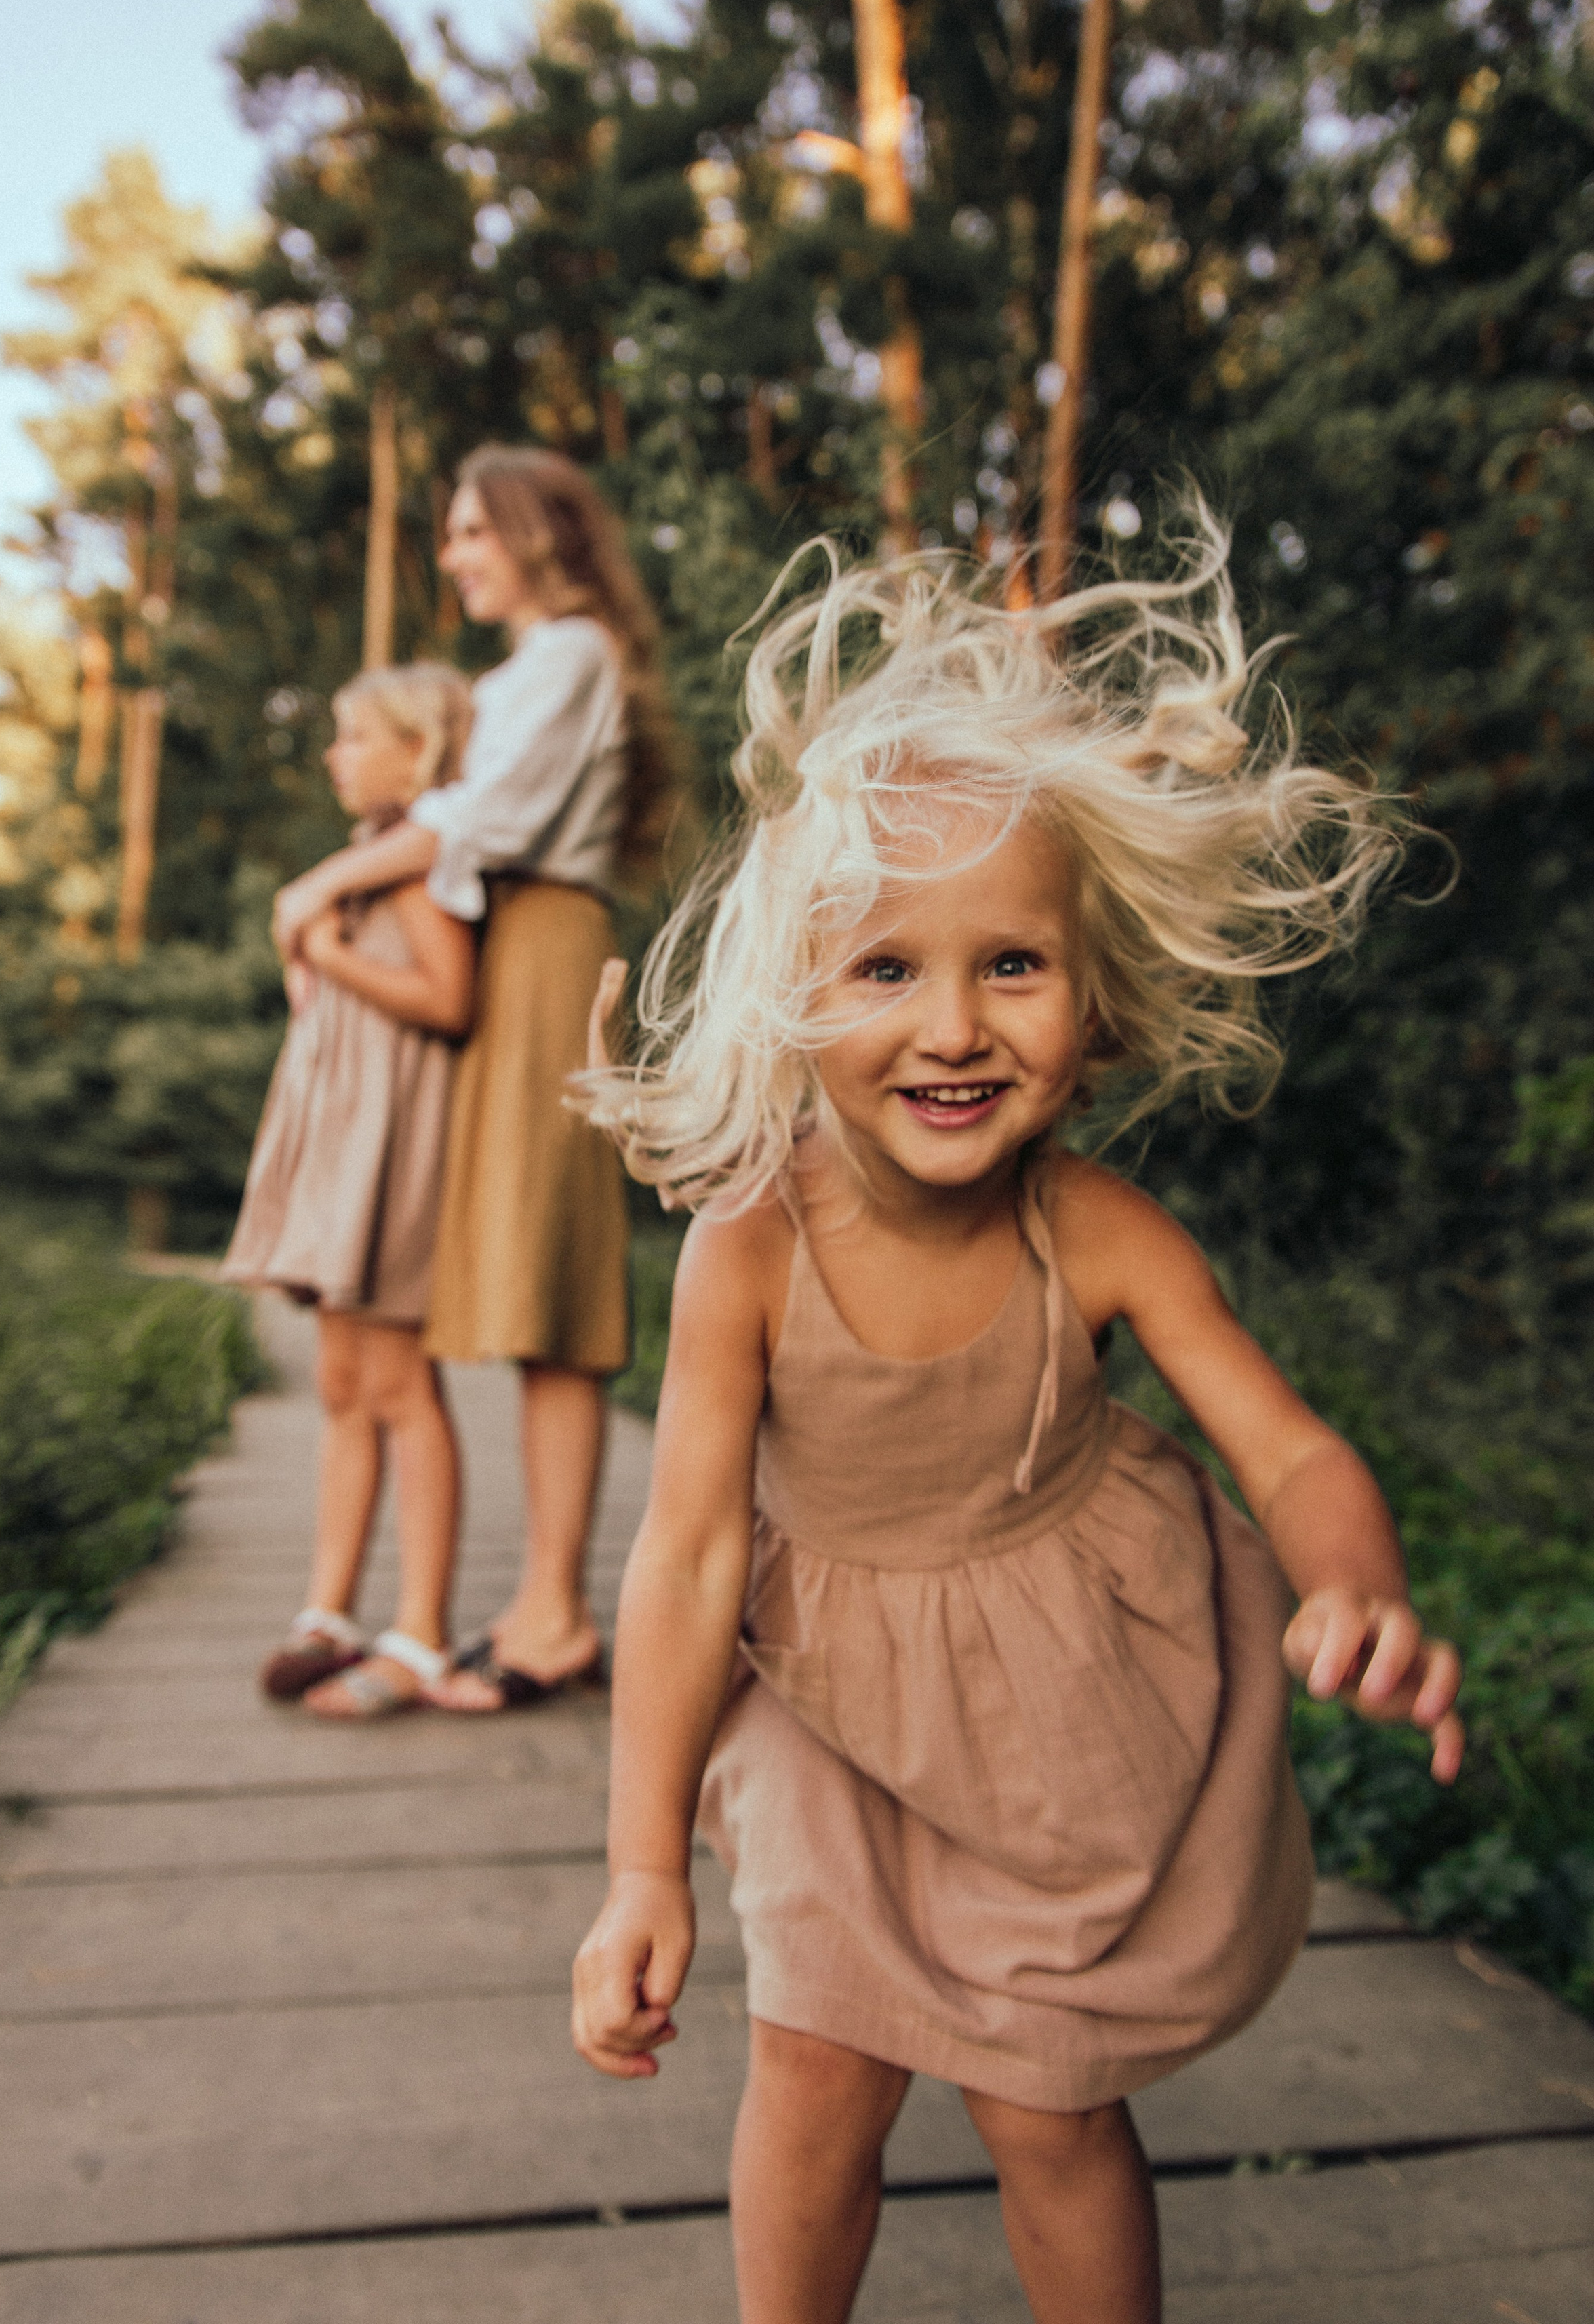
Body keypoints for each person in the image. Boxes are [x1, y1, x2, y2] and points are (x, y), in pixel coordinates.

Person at [568, 523, 1465, 2324]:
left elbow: (1282, 1448)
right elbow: (681, 1558)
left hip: (1060, 1701)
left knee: (1048, 2106)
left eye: (1011, 966)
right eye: (887, 969)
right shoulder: (748, 1248)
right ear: (799, 996)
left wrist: (1353, 1581)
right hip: (820, 1695)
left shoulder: (1100, 1234)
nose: (953, 1026)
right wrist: (638, 1866)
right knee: (818, 2064)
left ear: (1091, 989)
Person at [270, 446, 677, 1712]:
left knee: (548, 1278)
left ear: (536, 534)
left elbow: (489, 820)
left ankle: (553, 1610)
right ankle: (500, 1604)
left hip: (545, 943)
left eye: (469, 533)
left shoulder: (570, 654)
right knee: (497, 1272)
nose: (453, 557)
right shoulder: (528, 670)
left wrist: (320, 889)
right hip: (503, 950)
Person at [222, 664, 477, 1717]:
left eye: (354, 736)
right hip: (334, 1139)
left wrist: (329, 947)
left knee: (399, 1385)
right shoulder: (364, 863)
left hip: (393, 1144)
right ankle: (328, 1609)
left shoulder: (416, 871)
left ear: (418, 753)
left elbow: (449, 999)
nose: (336, 754)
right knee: (339, 1380)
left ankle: (421, 1625)